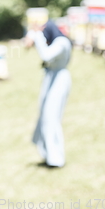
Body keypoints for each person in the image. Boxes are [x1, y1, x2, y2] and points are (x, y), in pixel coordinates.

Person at [25, 20, 72, 168]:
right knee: (45, 117)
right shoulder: (57, 41)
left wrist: (37, 36)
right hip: (51, 79)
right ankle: (48, 154)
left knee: (52, 118)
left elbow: (46, 55)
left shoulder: (61, 42)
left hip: (58, 81)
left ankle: (56, 158)